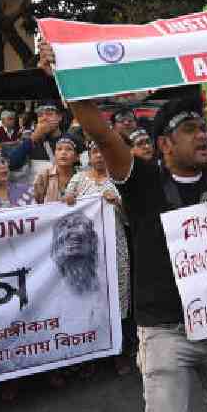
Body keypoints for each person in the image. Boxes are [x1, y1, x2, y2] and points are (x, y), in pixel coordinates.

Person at [39, 33, 207, 412]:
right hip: (166, 334)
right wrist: (64, 77)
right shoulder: (140, 181)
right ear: (164, 144)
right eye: (190, 130)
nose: (202, 135)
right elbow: (102, 132)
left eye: (203, 128)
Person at [65, 141, 133, 376]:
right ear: (88, 156)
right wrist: (69, 200)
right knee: (89, 299)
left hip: (116, 249)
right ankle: (90, 354)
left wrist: (119, 203)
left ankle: (119, 352)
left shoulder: (120, 181)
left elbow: (131, 217)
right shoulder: (78, 179)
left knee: (118, 298)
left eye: (104, 152)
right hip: (86, 254)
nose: (100, 156)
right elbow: (66, 207)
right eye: (95, 152)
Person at [33, 134, 82, 203]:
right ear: (55, 154)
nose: (63, 152)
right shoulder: (43, 176)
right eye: (59, 149)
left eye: (69, 149)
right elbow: (37, 206)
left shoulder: (83, 178)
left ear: (77, 157)